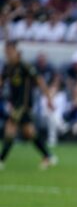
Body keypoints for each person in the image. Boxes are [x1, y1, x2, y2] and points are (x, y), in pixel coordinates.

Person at [0, 41, 57, 170]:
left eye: (10, 51)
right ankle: (48, 156)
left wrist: (49, 99)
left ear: (16, 51)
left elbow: (40, 81)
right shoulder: (7, 67)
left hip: (24, 105)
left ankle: (1, 160)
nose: (8, 54)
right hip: (14, 104)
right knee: (29, 132)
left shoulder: (25, 66)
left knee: (10, 127)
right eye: (6, 52)